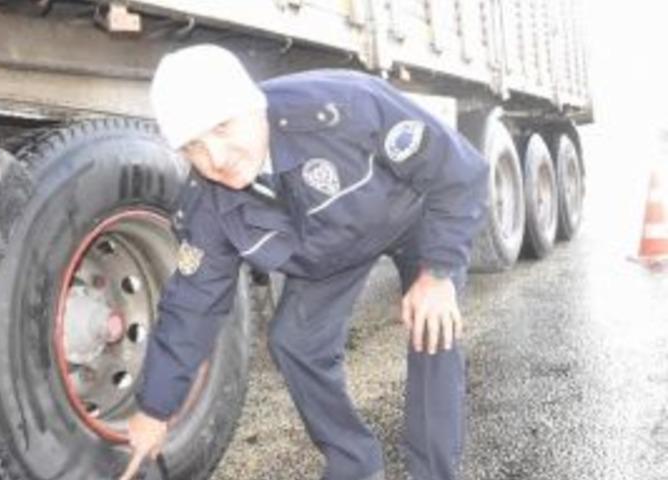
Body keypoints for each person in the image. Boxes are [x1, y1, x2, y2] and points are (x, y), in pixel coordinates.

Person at [120, 44, 489, 480]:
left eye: (222, 127)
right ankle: (355, 464)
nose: (215, 158)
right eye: (193, 146)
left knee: (434, 325)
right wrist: (155, 409)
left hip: (413, 215)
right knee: (294, 340)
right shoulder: (210, 204)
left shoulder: (347, 108)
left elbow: (460, 172)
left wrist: (438, 273)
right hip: (333, 250)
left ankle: (434, 472)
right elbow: (191, 307)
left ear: (254, 106)